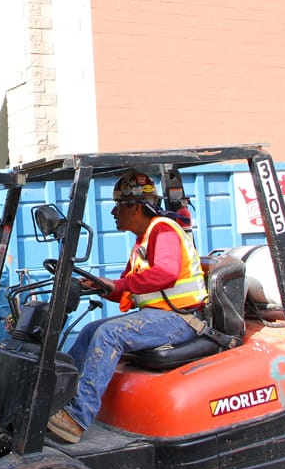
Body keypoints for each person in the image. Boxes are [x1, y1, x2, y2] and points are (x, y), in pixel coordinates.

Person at [46, 170, 209, 444]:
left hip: (180, 320)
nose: (113, 212)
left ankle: (76, 416)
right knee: (90, 331)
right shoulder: (142, 242)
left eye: (118, 206)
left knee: (109, 334)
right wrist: (96, 286)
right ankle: (53, 397)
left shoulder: (163, 230)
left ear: (135, 206)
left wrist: (121, 286)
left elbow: (166, 274)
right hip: (158, 317)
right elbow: (126, 288)